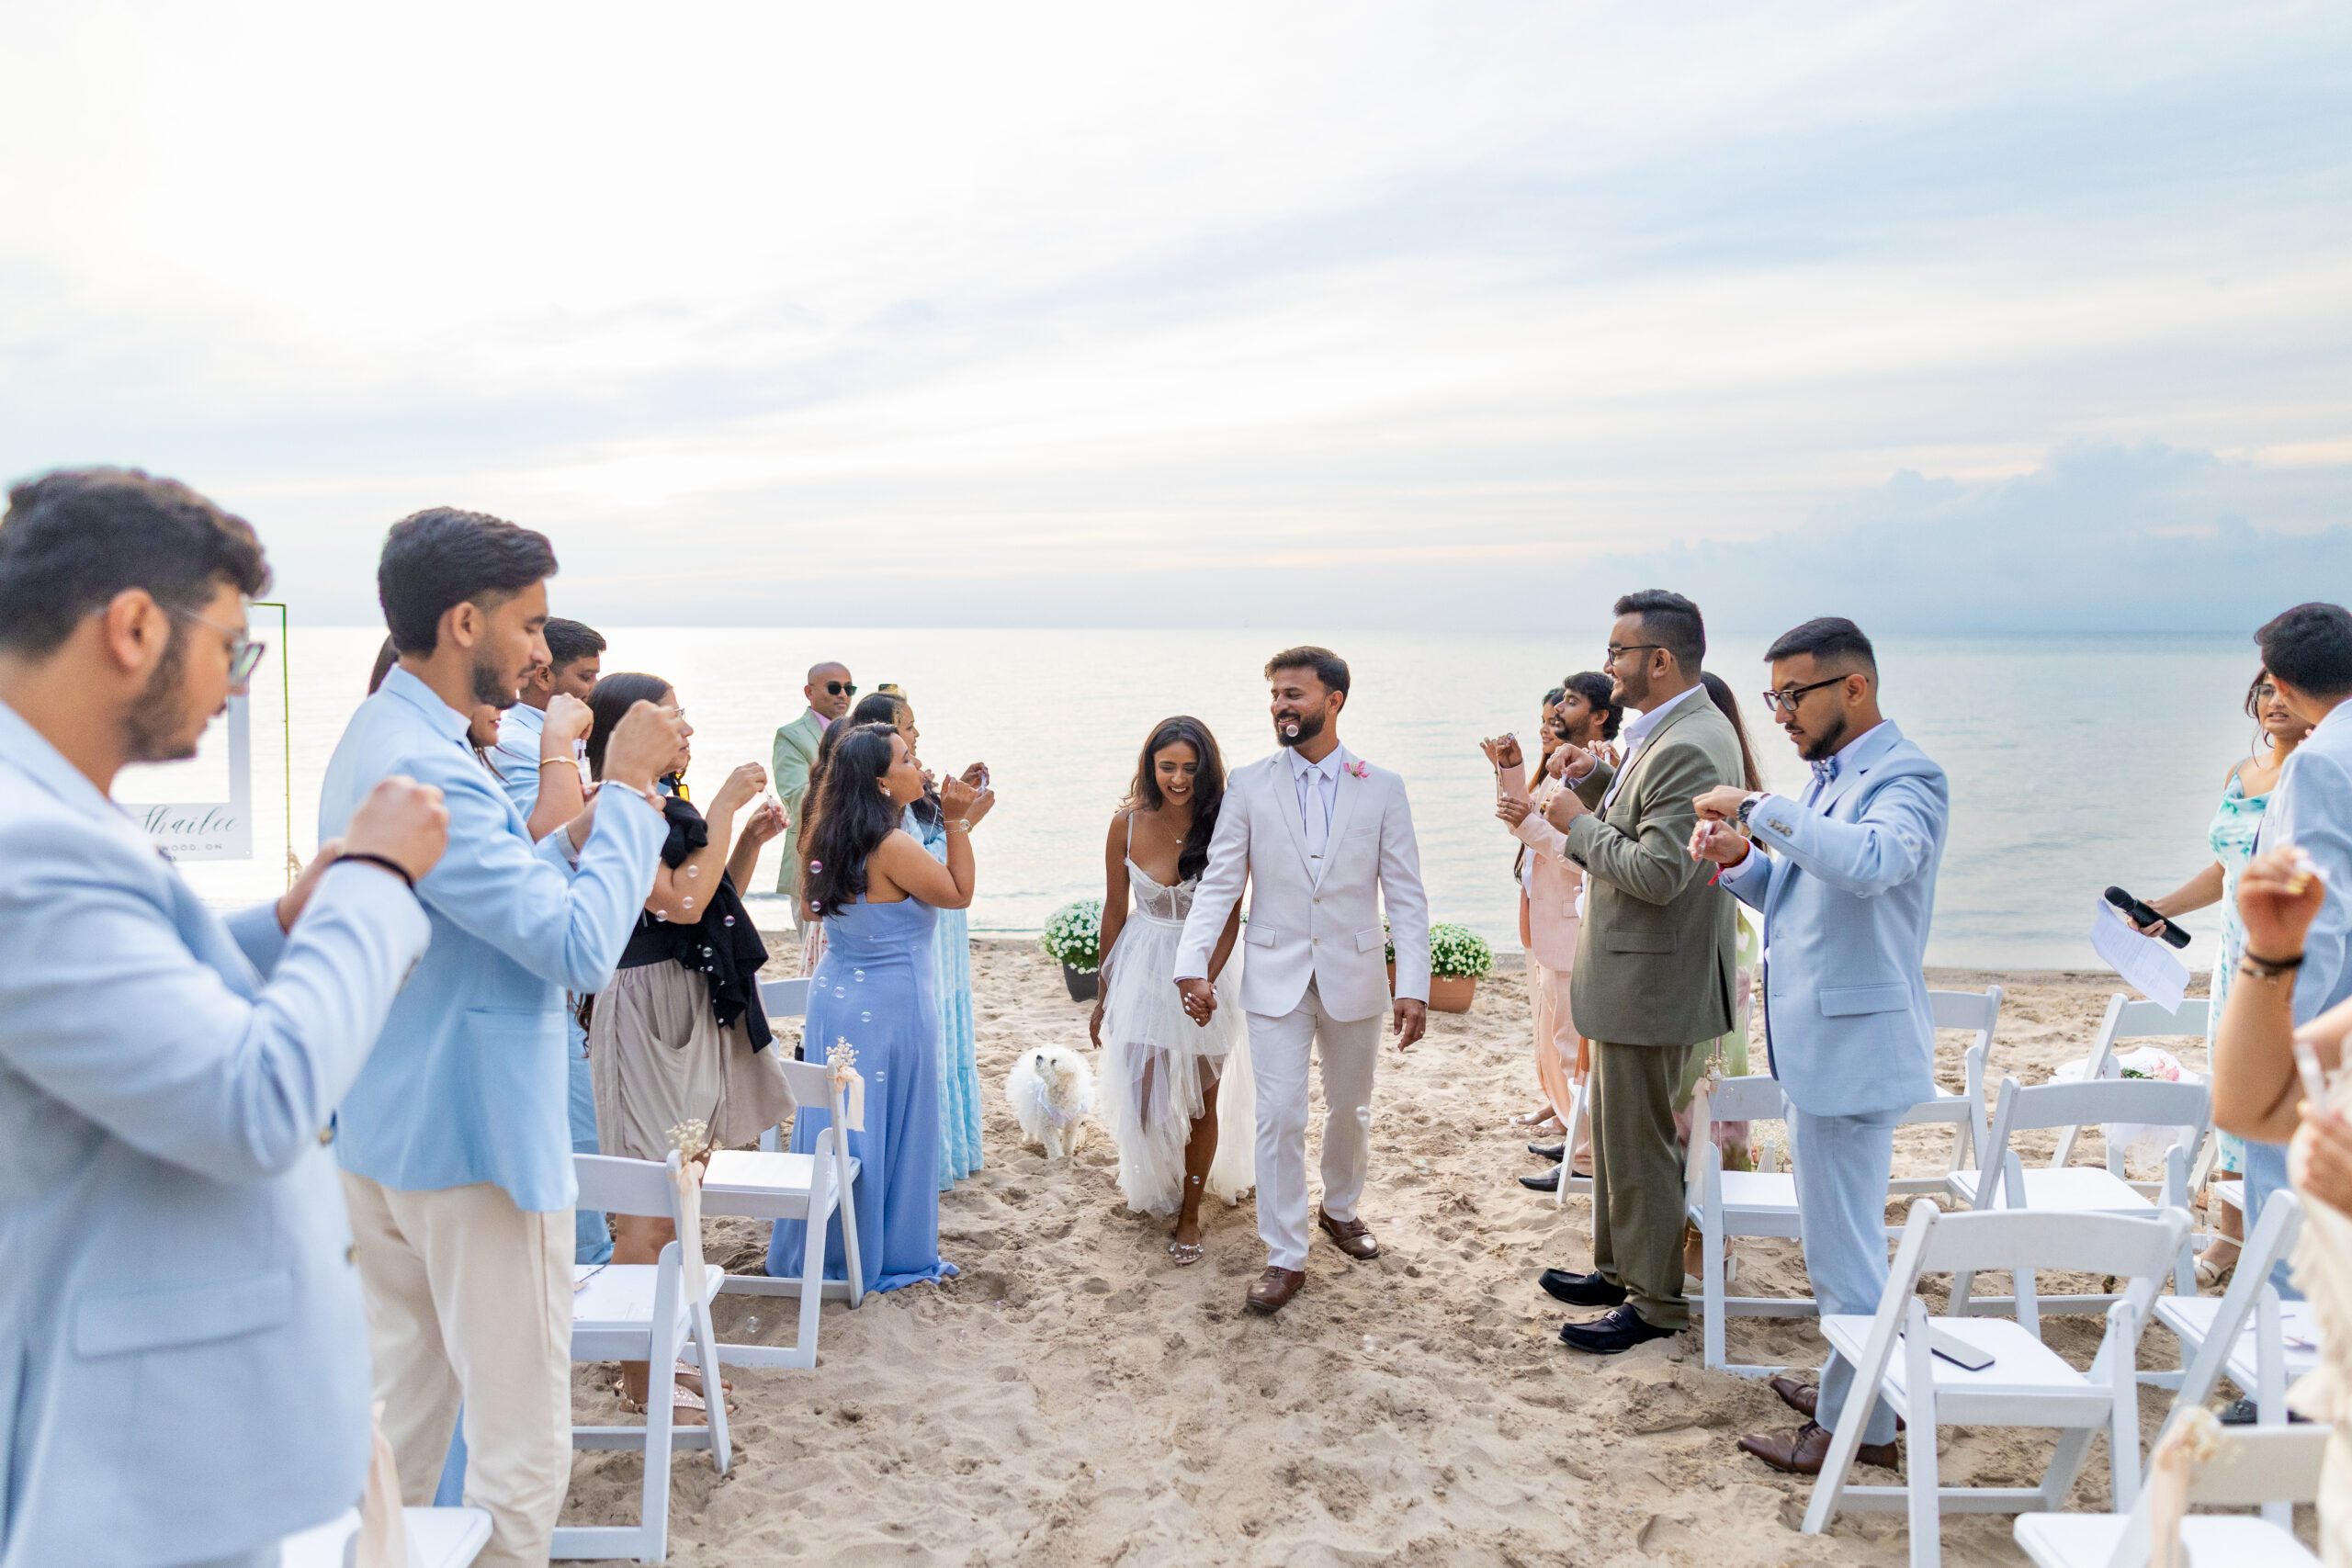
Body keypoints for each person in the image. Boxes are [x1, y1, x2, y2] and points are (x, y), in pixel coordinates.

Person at [0, 468, 449, 1568]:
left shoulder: (48, 806)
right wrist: (377, 882)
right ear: (134, 627)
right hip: (131, 1462)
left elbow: (129, 1007)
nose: (237, 686)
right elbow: (252, 1103)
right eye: (231, 650)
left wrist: (286, 926)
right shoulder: (27, 838)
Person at [319, 507, 684, 1568]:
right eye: (528, 626)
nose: (539, 654)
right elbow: (576, 949)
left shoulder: (383, 735)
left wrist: (579, 833)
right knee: (520, 1444)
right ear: (465, 622)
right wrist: (628, 792)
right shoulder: (430, 760)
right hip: (477, 1142)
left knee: (405, 1425)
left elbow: (485, 898)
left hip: (393, 1130)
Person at [1679, 616, 1948, 1475]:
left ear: (1854, 687)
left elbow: (1872, 863)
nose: (1781, 715)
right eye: (1774, 698)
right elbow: (1804, 898)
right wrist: (1740, 862)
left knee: (1846, 1258)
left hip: (1851, 1053)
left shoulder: (1907, 777)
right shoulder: (1831, 781)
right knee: (1841, 1244)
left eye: (1793, 695)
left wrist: (1757, 808)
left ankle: (1860, 1427)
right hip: (1819, 1047)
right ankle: (1851, 1392)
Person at [1174, 647, 1430, 1314]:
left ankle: (1340, 1208)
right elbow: (1221, 882)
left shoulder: (1383, 787)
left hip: (1355, 972)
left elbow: (1406, 894)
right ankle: (1285, 1254)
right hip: (1274, 973)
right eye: (1275, 696)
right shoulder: (1249, 784)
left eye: (1294, 694)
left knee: (1351, 1108)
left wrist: (1414, 982)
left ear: (1333, 700)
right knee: (1280, 1114)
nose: (1281, 706)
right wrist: (1191, 963)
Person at [576, 671, 792, 1419]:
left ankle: (661, 1352)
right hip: (645, 1004)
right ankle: (639, 1378)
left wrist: (746, 840)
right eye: (672, 717)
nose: (686, 729)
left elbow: (711, 898)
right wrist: (727, 804)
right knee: (649, 1205)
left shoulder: (662, 799)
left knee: (683, 1194)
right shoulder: (613, 807)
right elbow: (678, 901)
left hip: (685, 995)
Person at [1536, 590, 1743, 1355]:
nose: (1608, 665)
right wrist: (1597, 781)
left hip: (1652, 981)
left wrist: (1576, 824)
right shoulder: (1677, 729)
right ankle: (1618, 1269)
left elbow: (1659, 872)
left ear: (1659, 660)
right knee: (1620, 1133)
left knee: (1643, 1141)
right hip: (1639, 975)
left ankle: (1655, 1301)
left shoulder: (1693, 742)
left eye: (1617, 651)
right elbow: (1645, 814)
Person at [766, 722, 983, 1292]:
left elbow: (811, 911)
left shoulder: (826, 834)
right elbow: (958, 893)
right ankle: (875, 1249)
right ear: (881, 782)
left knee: (839, 1119)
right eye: (907, 759)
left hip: (835, 995)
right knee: (886, 1120)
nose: (919, 766)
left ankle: (828, 1243)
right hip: (892, 1004)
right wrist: (957, 821)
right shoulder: (892, 845)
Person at [2120, 671, 2313, 1278]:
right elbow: (2225, 868)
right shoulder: (2240, 772)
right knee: (2231, 1091)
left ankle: (2287, 1238)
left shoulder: (2322, 776)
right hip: (2231, 960)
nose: (2275, 700)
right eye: (2266, 689)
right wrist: (2161, 909)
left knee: (2282, 1094)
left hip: (2288, 960)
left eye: (2289, 689)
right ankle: (2232, 1235)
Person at [2215, 603, 2352, 1307]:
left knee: (2293, 1237)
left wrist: (2277, 1045)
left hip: (2324, 1030)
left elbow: (2319, 917)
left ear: (2285, 683)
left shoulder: (2321, 761)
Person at [1091, 716, 1255, 1258]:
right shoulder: (1125, 825)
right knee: (1144, 1097)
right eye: (1168, 767)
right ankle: (1164, 1177)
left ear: (1206, 770)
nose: (1179, 779)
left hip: (1209, 966)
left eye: (1189, 767)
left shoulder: (1226, 824)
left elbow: (1231, 914)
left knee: (1203, 1100)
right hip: (1142, 963)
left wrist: (1205, 979)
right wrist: (1103, 992)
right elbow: (1115, 911)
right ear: (1151, 766)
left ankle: (1190, 1214)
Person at [850, 689, 990, 1189]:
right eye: (906, 741)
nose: (916, 745)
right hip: (900, 967)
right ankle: (903, 1175)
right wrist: (960, 822)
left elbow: (810, 905)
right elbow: (949, 885)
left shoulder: (845, 821)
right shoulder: (884, 835)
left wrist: (952, 813)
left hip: (866, 972)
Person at [1485, 671, 1621, 1183]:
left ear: (1600, 715)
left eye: (1568, 702)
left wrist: (1528, 823)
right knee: (1562, 1044)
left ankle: (1583, 1160)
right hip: (1548, 923)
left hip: (1573, 925)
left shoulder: (1602, 769)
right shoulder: (1564, 765)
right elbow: (1521, 817)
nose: (1557, 712)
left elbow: (1585, 857)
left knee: (1573, 1048)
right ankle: (1574, 1134)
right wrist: (1510, 770)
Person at [488, 615, 602, 838]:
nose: (595, 687)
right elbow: (550, 838)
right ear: (543, 676)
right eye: (586, 677)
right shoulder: (514, 745)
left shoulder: (569, 732)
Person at [774, 660, 855, 907]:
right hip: (811, 865)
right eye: (834, 688)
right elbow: (798, 798)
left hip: (855, 864)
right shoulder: (791, 736)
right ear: (809, 692)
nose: (843, 695)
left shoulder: (861, 732)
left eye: (849, 689)